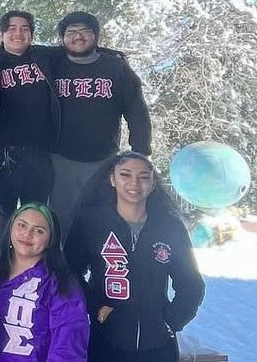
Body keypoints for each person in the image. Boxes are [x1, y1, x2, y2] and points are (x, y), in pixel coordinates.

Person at [65, 152, 204, 361]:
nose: (134, 183)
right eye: (125, 175)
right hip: (106, 343)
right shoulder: (90, 223)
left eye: (143, 177)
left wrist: (173, 320)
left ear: (153, 183)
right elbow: (69, 272)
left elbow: (191, 282)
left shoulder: (169, 226)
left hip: (158, 346)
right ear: (112, 179)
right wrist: (96, 306)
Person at [49, 12, 152, 234]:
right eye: (71, 32)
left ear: (96, 35)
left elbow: (136, 111)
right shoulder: (53, 64)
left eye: (85, 31)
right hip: (60, 159)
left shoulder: (116, 68)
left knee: (101, 220)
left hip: (103, 160)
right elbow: (23, 53)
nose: (78, 37)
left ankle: (100, 257)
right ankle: (64, 258)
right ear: (62, 39)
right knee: (61, 221)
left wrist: (140, 151)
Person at [0, 202, 88, 361]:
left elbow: (68, 346)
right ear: (10, 228)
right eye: (22, 225)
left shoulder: (60, 284)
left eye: (39, 230)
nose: (27, 234)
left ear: (50, 239)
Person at [0, 11, 60, 247]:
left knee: (37, 213)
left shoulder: (44, 57)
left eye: (25, 28)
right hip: (3, 152)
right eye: (12, 28)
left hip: (40, 151)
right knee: (2, 214)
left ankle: (34, 262)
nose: (18, 33)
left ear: (32, 34)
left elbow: (75, 49)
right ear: (1, 34)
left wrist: (110, 54)